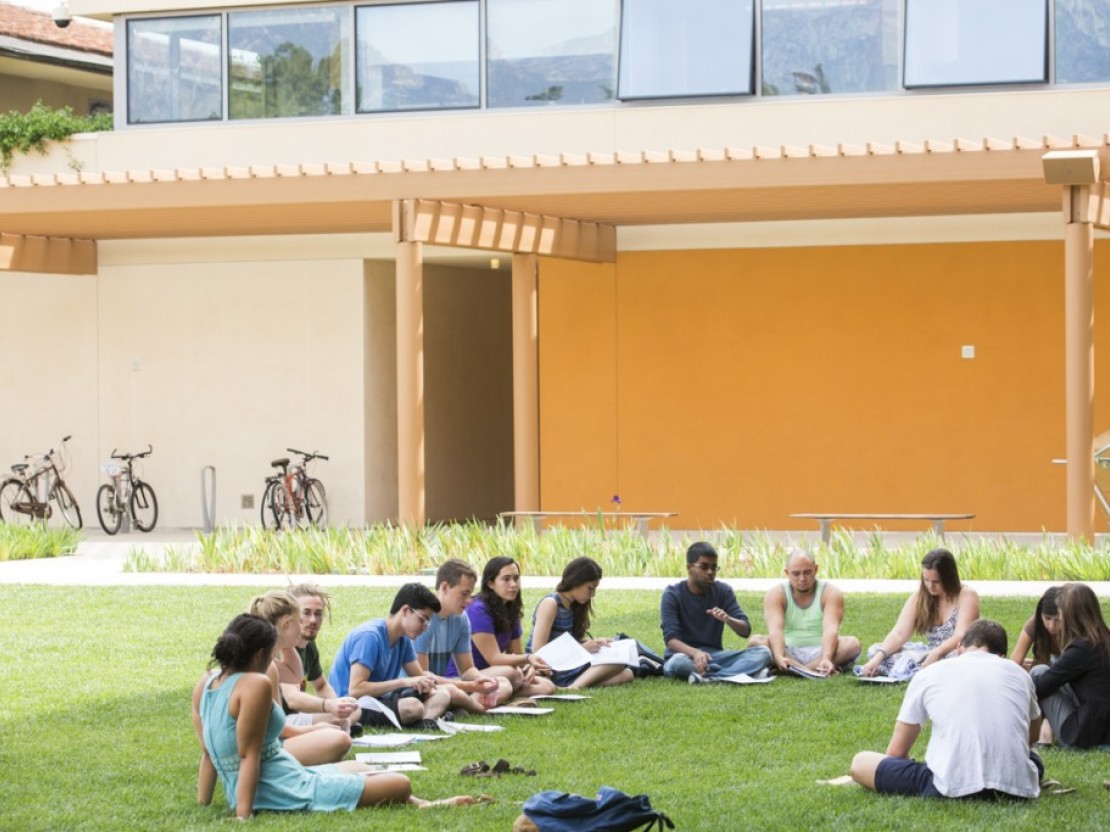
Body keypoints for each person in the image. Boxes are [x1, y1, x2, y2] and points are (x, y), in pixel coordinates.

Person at [191, 614, 474, 819]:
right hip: (283, 788)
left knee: (360, 768)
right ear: (261, 653)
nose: (275, 659)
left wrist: (203, 803)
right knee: (401, 782)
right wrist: (243, 815)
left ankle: (422, 805)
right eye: (274, 653)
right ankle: (416, 800)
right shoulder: (256, 683)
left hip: (284, 773)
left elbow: (208, 752)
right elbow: (248, 754)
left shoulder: (209, 680)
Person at [850, 619, 1042, 800]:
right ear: (1002, 656)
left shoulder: (929, 674)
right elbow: (1031, 738)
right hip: (1016, 786)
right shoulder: (1020, 674)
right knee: (1035, 759)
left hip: (948, 785)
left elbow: (896, 752)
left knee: (860, 762)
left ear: (959, 649)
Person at [247, 591, 354, 765]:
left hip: (271, 741)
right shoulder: (267, 666)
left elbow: (296, 675)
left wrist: (283, 640)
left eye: (318, 614)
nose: (309, 622)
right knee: (340, 741)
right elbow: (276, 727)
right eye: (301, 617)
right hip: (266, 750)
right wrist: (314, 728)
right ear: (286, 623)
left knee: (341, 737)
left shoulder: (274, 661)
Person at [328, 583, 456, 727]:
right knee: (412, 707)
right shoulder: (369, 637)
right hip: (351, 705)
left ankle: (424, 722)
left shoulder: (403, 640)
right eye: (423, 619)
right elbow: (355, 690)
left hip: (379, 699)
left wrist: (428, 687)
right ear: (406, 610)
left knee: (443, 693)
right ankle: (425, 718)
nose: (425, 627)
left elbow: (419, 678)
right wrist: (404, 682)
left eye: (428, 622)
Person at [659, 541, 772, 683]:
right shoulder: (672, 594)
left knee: (763, 653)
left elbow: (745, 630)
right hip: (684, 655)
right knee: (678, 663)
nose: (710, 572)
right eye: (704, 567)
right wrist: (695, 653)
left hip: (714, 656)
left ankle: (710, 677)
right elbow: (671, 640)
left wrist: (729, 619)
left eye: (714, 567)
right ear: (689, 568)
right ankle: (735, 674)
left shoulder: (723, 591)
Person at [858, 548, 979, 678]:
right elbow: (899, 634)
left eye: (936, 582)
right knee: (876, 650)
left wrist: (937, 653)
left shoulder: (966, 595)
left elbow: (961, 636)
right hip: (928, 652)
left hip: (954, 651)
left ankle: (909, 669)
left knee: (960, 658)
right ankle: (913, 668)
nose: (930, 586)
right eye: (926, 580)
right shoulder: (919, 598)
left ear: (949, 578)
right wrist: (878, 658)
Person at [413, 558, 508, 709]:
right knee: (452, 691)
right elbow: (422, 676)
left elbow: (467, 669)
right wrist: (471, 686)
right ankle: (476, 708)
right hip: (420, 688)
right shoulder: (423, 619)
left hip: (442, 684)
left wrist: (483, 681)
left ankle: (466, 704)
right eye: (464, 594)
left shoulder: (461, 618)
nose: (469, 600)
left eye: (470, 594)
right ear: (445, 587)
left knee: (504, 683)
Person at [527, 557, 634, 689]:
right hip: (548, 667)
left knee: (627, 673)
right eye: (590, 588)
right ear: (576, 581)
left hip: (568, 663)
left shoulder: (574, 605)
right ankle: (573, 687)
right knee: (618, 664)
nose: (593, 594)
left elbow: (569, 642)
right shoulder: (551, 603)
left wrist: (594, 644)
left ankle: (577, 683)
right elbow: (537, 650)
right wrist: (582, 649)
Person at [748, 550, 860, 675]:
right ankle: (812, 670)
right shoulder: (775, 594)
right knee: (756, 642)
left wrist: (826, 657)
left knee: (852, 644)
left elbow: (830, 629)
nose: (802, 578)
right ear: (787, 573)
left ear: (816, 569)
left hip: (821, 651)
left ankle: (795, 669)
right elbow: (775, 631)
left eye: (807, 572)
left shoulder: (831, 592)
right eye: (796, 574)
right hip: (788, 650)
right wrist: (779, 656)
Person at [1030, 582, 1110, 748]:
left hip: (1084, 734)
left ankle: (1034, 733)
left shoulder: (1082, 648)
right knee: (1051, 669)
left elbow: (1041, 687)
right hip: (1102, 724)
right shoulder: (1103, 638)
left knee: (1038, 673)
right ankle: (1044, 733)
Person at [465, 556, 556, 698]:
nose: (513, 584)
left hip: (497, 671)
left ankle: (502, 692)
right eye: (506, 579)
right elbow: (493, 658)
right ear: (490, 583)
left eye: (516, 578)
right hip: (472, 673)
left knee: (546, 686)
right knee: (512, 673)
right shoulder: (477, 609)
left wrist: (528, 667)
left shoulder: (510, 608)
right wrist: (527, 658)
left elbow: (517, 653)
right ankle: (492, 692)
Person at [277, 583, 362, 732]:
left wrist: (339, 706)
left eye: (318, 613)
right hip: (280, 721)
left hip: (297, 716)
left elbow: (321, 685)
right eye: (306, 613)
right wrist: (329, 707)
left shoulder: (309, 645)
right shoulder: (282, 647)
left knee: (353, 709)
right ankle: (331, 730)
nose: (313, 620)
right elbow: (292, 699)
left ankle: (332, 729)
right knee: (338, 718)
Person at [1011, 586, 1062, 671]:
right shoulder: (1034, 623)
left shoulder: (1075, 626)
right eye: (1047, 618)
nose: (1052, 626)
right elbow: (1014, 663)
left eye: (1057, 620)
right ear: (1040, 614)